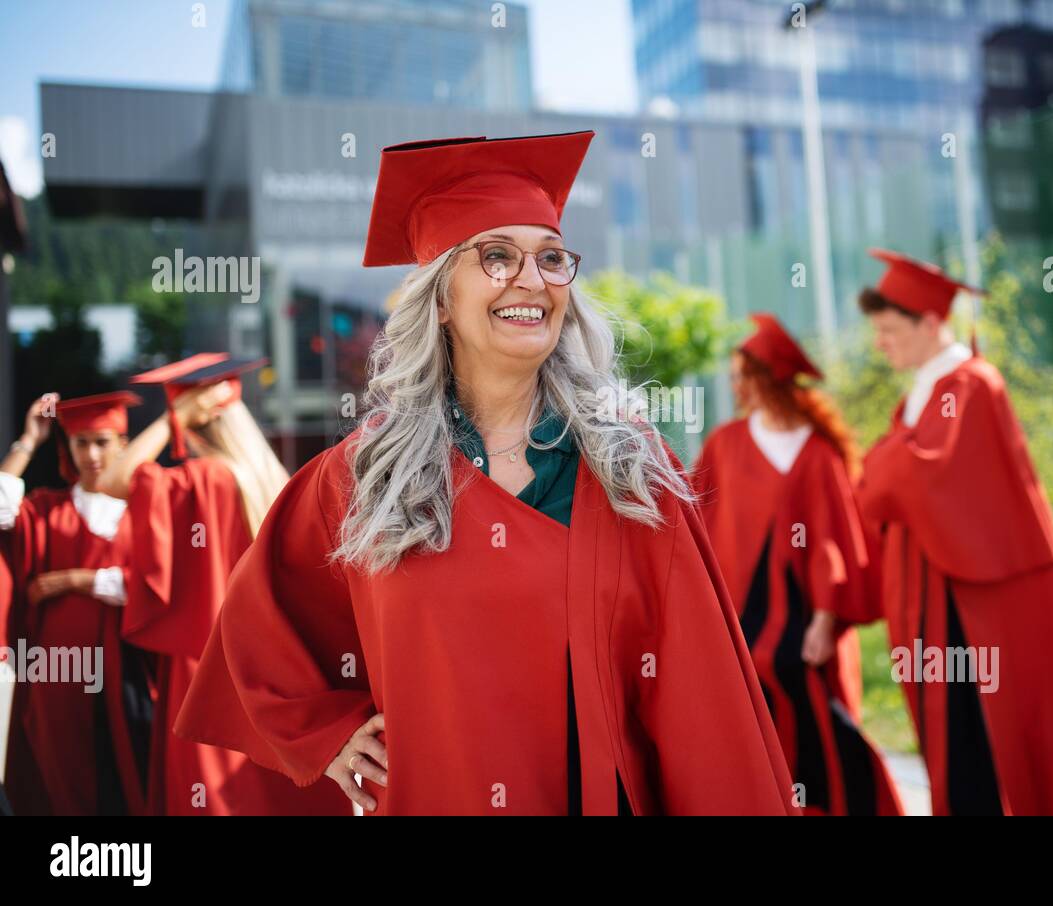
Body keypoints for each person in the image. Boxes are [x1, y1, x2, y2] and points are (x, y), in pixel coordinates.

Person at [173, 131, 798, 816]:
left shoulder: (627, 468)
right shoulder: (360, 478)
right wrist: (327, 734)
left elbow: (703, 697)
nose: (531, 280)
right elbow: (255, 633)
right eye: (496, 256)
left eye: (551, 258)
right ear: (440, 298)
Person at [854, 248, 1053, 815]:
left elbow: (907, 477)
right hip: (953, 599)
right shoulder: (925, 392)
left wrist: (885, 461)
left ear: (930, 322)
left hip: (996, 605)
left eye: (887, 329)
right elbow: (883, 481)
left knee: (1000, 741)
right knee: (965, 740)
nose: (879, 343)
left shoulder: (969, 384)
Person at [96, 357, 345, 815]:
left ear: (196, 420)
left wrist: (175, 415)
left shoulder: (206, 478)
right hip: (265, 663)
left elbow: (114, 481)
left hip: (210, 664)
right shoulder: (269, 479)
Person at [692, 314, 903, 816]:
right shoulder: (726, 445)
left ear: (769, 378)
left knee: (818, 721)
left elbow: (838, 542)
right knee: (748, 716)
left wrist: (827, 622)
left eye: (745, 372)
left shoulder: (818, 455)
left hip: (808, 624)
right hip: (740, 617)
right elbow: (698, 528)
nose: (736, 383)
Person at [0, 391, 153, 815]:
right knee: (62, 780)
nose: (91, 454)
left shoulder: (147, 506)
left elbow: (159, 586)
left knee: (131, 773)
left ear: (123, 443)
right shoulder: (47, 509)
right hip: (60, 672)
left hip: (133, 668)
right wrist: (28, 441)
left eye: (102, 442)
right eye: (79, 442)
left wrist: (76, 580)